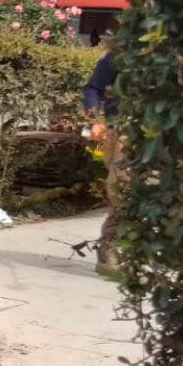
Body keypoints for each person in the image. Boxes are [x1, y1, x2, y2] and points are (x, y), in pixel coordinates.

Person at [82, 47, 120, 274]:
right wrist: (95, 120)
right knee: (123, 189)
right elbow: (92, 88)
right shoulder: (122, 50)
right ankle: (109, 247)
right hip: (122, 131)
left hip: (165, 135)